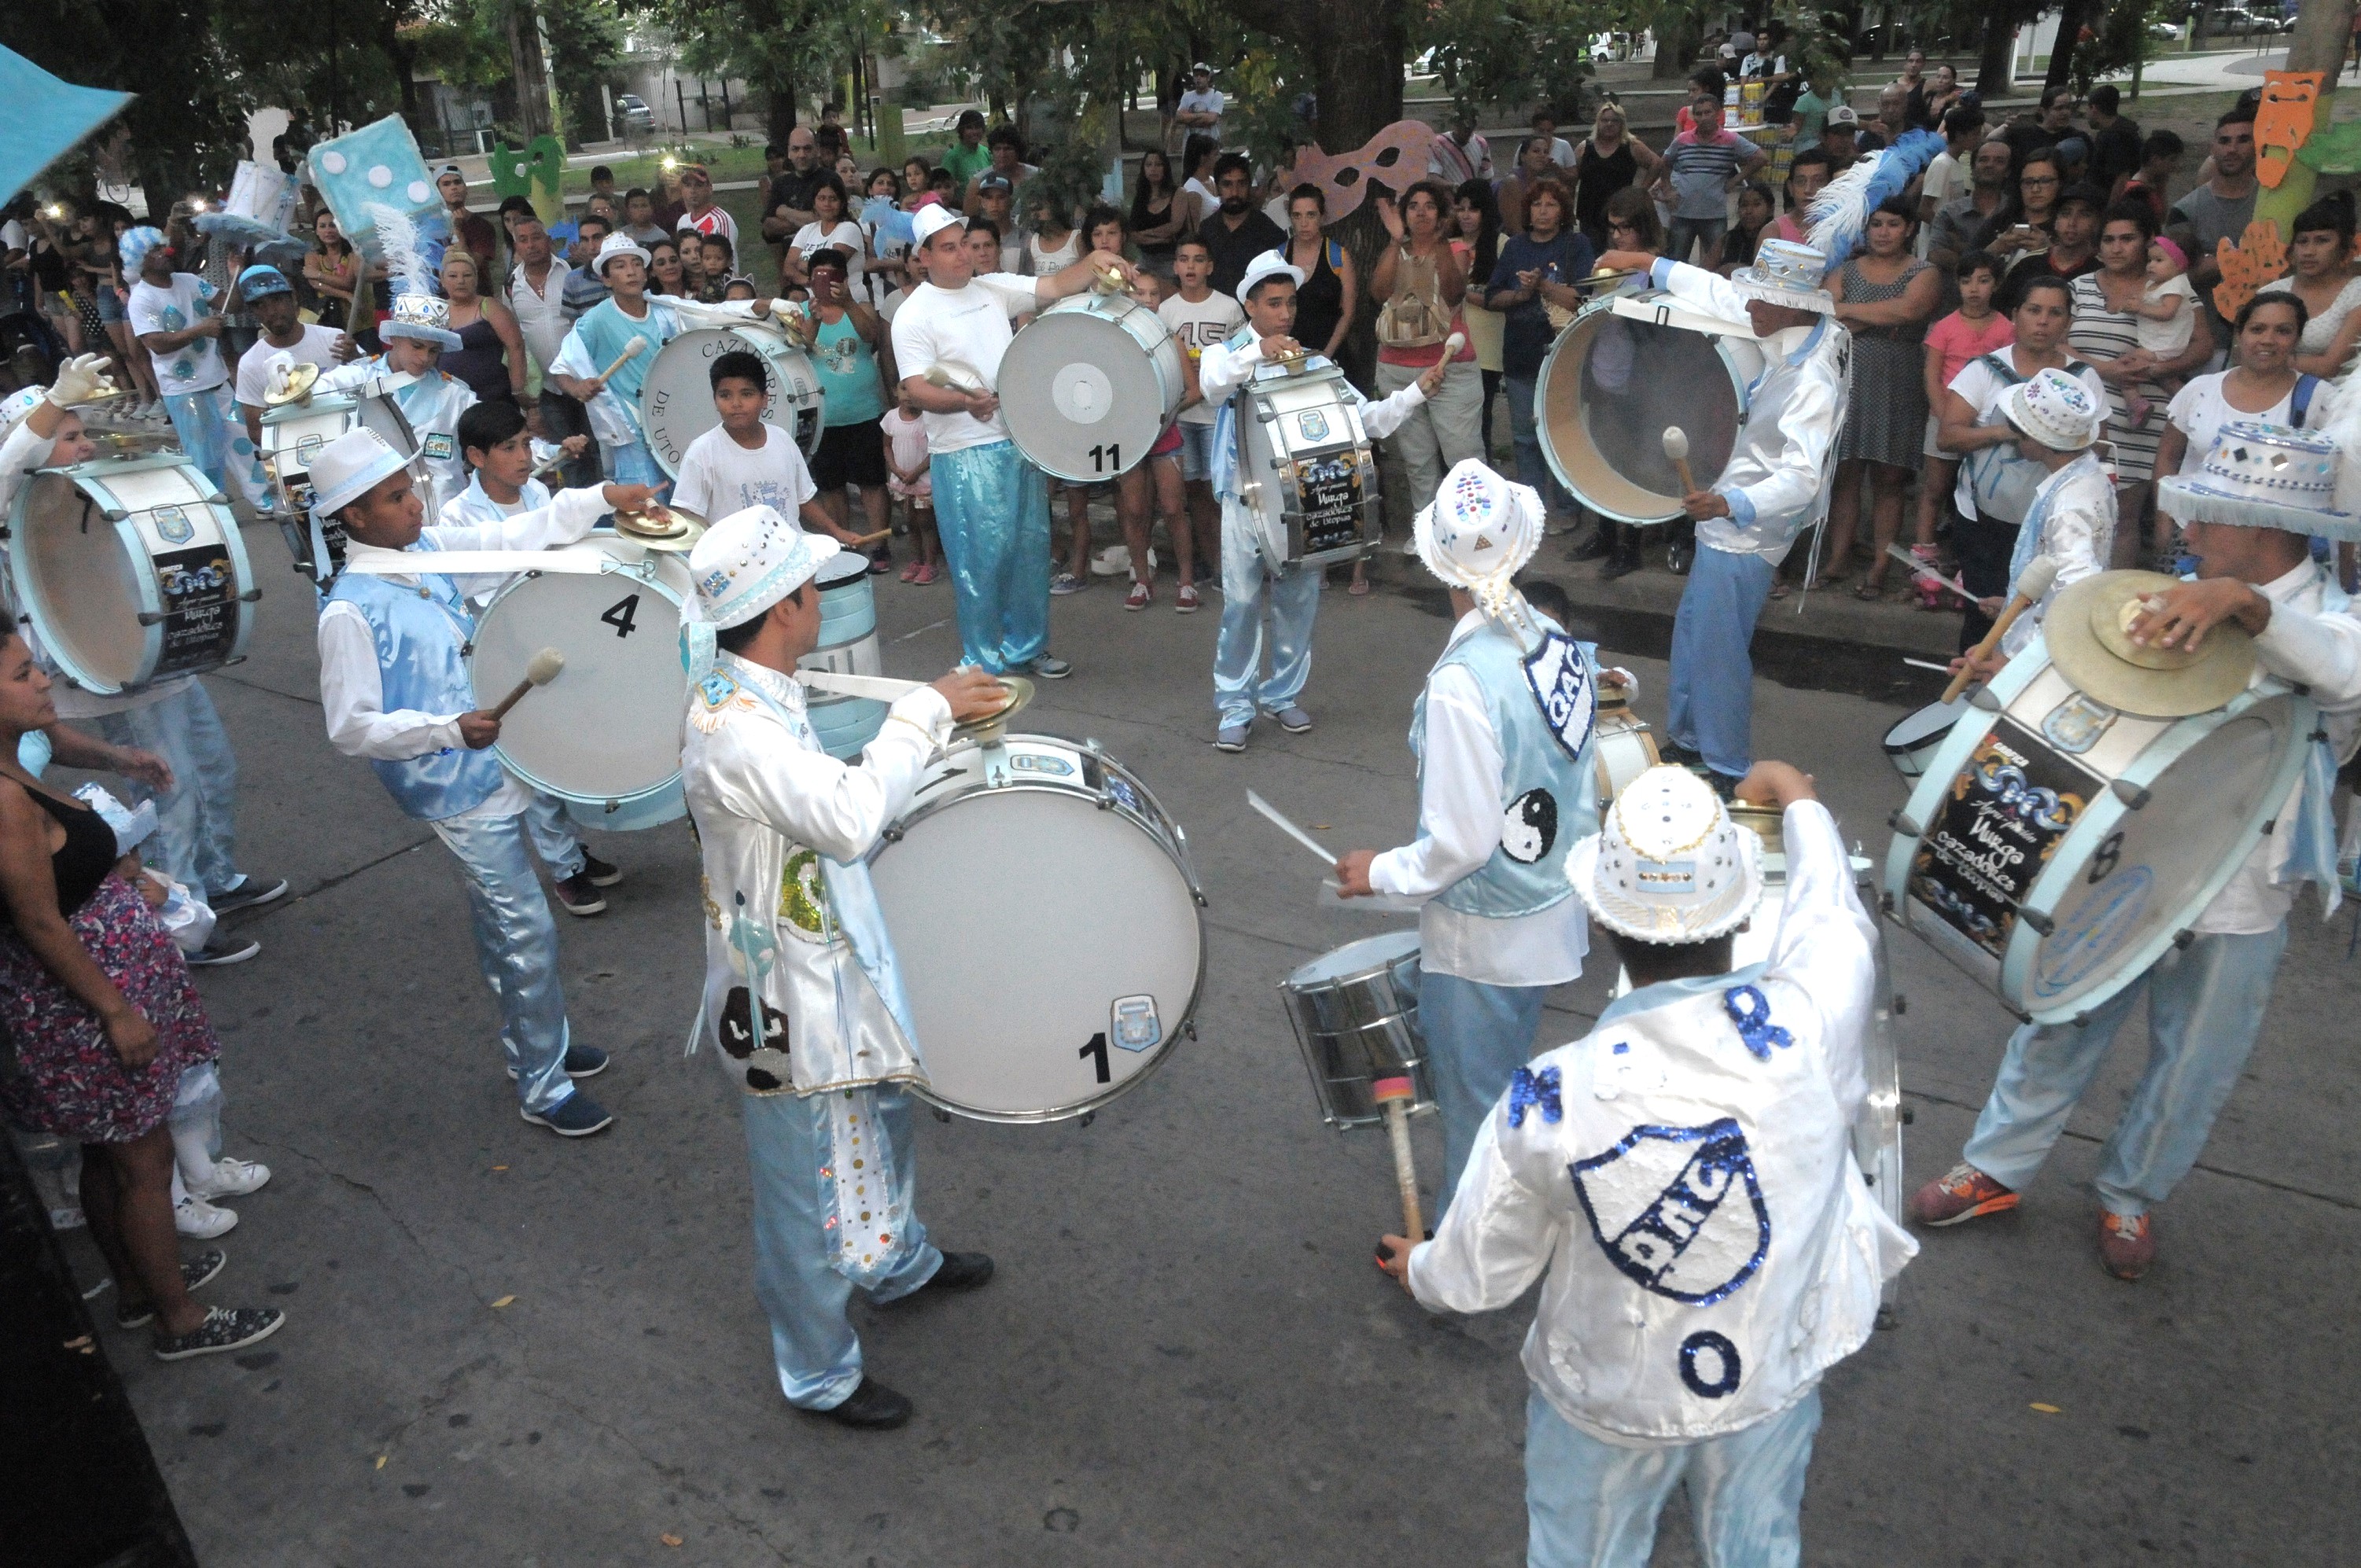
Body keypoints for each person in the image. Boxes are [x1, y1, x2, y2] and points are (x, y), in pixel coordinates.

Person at [1382, 760, 1912, 1567]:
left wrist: (1419, 1268)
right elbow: (1832, 917)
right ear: (1743, 912)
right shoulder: (1810, 1019)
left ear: (1601, 923)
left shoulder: (1549, 1096)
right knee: (1756, 1544)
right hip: (1772, 1368)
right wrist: (1799, 799)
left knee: (1581, 1551)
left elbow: (1475, 1275)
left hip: (1609, 1397)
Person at [1914, 432, 2361, 1281]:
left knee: (2195, 1058)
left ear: (2259, 529)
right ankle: (1996, 1167)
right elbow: (2095, 680)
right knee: (2060, 1016)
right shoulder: (2170, 593)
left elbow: (2340, 671)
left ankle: (2130, 1193)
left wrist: (2246, 606)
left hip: (2243, 889)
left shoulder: (2336, 617)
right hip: (2126, 861)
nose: (2186, 531)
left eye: (2204, 517)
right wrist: (2012, 671)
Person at [677, 508, 1006, 1430]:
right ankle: (816, 1369)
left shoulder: (756, 686)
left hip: (828, 961)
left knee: (880, 1114)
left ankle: (896, 1261)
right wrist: (926, 710)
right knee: (802, 1184)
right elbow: (850, 817)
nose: (820, 599)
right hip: (780, 997)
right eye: (810, 586)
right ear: (784, 607)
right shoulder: (735, 727)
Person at [309, 428, 649, 1136]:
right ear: (354, 517)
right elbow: (349, 727)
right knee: (526, 928)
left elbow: (511, 538)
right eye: (394, 498)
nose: (414, 505)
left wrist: (598, 498)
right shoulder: (349, 610)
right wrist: (445, 730)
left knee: (505, 928)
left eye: (409, 490)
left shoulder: (429, 551)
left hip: (495, 762)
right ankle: (543, 1087)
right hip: (452, 787)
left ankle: (536, 1040)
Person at [1332, 460, 1611, 1217]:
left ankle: (1464, 1258)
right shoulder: (1553, 635)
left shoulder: (1462, 682)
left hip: (1485, 936)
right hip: (1550, 909)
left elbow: (1460, 844)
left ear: (1440, 567)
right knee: (1501, 1089)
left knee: (1477, 1116)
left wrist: (1378, 872)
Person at [0, 628, 286, 1361]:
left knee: (109, 1154)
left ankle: (139, 1288)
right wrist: (116, 1010)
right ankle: (180, 1319)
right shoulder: (4, 801)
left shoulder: (13, 758)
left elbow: (56, 742)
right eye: (24, 674)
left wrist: (118, 759)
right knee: (144, 1162)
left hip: (99, 992)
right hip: (83, 1007)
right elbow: (39, 921)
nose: (44, 681)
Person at [1592, 239, 1847, 791]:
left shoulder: (1813, 380)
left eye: (1758, 299)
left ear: (1792, 307)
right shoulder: (1779, 323)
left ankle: (1727, 766)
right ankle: (1689, 741)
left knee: (1718, 650)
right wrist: (1647, 262)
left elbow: (1802, 478)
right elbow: (1720, 294)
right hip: (1728, 521)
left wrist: (1732, 503)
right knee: (1694, 634)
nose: (1746, 306)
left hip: (1748, 533)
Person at [1199, 249, 1446, 751]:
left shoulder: (1312, 362)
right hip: (1244, 500)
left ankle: (1282, 694)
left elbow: (1367, 420)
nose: (1285, 313)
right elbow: (1212, 387)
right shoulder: (1225, 354)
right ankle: (1235, 706)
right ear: (1250, 306)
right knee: (1241, 605)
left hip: (1306, 500)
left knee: (1298, 604)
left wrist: (1415, 393)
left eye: (1290, 303)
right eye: (1274, 303)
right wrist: (1258, 352)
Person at [888, 205, 1136, 677]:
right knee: (981, 562)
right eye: (949, 248)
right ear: (924, 257)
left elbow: (1054, 286)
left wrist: (1096, 261)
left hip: (1017, 442)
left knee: (1029, 552)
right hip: (963, 455)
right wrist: (965, 403)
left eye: (964, 243)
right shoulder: (913, 315)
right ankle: (984, 664)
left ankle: (1027, 647)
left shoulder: (992, 287)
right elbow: (916, 388)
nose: (963, 254)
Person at [439, 401, 621, 918]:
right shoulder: (457, 517)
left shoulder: (539, 493)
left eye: (525, 444)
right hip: (505, 651)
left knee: (564, 751)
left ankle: (572, 849)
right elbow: (468, 591)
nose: (524, 457)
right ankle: (564, 869)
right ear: (476, 456)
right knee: (534, 763)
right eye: (509, 448)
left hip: (554, 637)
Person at [1936, 274, 2109, 648]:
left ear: (2068, 322)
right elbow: (1947, 437)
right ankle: (1975, 678)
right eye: (2034, 310)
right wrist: (2014, 431)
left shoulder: (2082, 379)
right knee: (1983, 617)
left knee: (2041, 620)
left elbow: (2098, 446)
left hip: (2051, 522)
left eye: (2055, 313)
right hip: (1983, 521)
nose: (2043, 321)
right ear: (2014, 315)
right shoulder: (1984, 370)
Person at [549, 232, 779, 493]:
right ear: (607, 278)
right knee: (645, 507)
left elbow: (712, 314)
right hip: (632, 432)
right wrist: (577, 388)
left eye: (636, 264)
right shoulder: (595, 321)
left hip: (675, 424)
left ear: (646, 273)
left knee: (688, 501)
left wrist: (760, 306)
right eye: (620, 266)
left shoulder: (666, 310)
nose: (631, 272)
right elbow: (561, 369)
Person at [2069, 204, 2214, 560]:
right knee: (2074, 512)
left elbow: (2203, 346)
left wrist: (2157, 370)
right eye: (2108, 240)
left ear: (2149, 242)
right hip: (2078, 412)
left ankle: (2118, 593)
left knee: (2124, 517)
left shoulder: (2170, 289)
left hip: (2140, 417)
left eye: (2127, 239)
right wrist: (2104, 369)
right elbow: (2056, 344)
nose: (2116, 248)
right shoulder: (2078, 287)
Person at [1826, 197, 1939, 598]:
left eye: (1893, 224)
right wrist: (1880, 314)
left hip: (1899, 381)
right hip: (1848, 379)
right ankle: (1838, 557)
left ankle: (1880, 565)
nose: (1884, 232)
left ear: (1908, 229)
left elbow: (1909, 311)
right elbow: (1828, 314)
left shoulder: (1924, 272)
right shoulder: (1844, 270)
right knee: (1845, 473)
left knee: (1890, 479)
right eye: (1876, 224)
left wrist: (1851, 311)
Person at [2156, 294, 2319, 555]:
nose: (2268, 339)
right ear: (2239, 334)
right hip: (2191, 535)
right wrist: (2164, 521)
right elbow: (2168, 457)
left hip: (2272, 548)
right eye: (2257, 329)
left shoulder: (2318, 399)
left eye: (2283, 331)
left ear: (2297, 339)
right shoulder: (2200, 390)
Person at [1373, 183, 1484, 565]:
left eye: (1430, 206)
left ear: (1441, 214)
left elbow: (1453, 295)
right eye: (1413, 206)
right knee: (1417, 459)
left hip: (1449, 367)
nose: (1421, 212)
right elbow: (1378, 292)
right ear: (1404, 214)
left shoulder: (1457, 249)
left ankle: (1476, 531)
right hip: (1397, 369)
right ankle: (1427, 532)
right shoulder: (1395, 249)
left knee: (1463, 455)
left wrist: (1437, 244)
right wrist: (1395, 242)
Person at [123, 226, 270, 514]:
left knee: (244, 446)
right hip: (184, 392)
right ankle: (216, 514)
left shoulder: (189, 281)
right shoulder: (142, 299)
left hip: (219, 382)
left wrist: (235, 273)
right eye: (154, 251)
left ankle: (265, 501)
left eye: (162, 246)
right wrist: (200, 330)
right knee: (205, 459)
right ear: (140, 261)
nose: (165, 252)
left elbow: (233, 305)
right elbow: (156, 343)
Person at [315, 293, 477, 520]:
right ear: (395, 339)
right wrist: (284, 371)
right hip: (377, 517)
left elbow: (491, 434)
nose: (424, 358)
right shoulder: (358, 378)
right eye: (417, 346)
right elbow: (310, 392)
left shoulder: (456, 396)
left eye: (433, 350)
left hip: (442, 519)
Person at [1486, 177, 1592, 525]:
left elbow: (1583, 299)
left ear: (1563, 211)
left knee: (1562, 435)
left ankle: (1567, 508)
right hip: (1521, 354)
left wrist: (1542, 285)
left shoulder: (1576, 245)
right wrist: (1520, 294)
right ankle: (1532, 510)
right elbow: (1492, 297)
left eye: (1551, 204)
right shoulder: (1515, 247)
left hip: (1564, 356)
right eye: (1536, 204)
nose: (1543, 211)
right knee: (1524, 437)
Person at [1910, 252, 2013, 602]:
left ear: (1996, 285)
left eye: (1984, 281)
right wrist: (1946, 418)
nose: (1974, 289)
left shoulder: (2006, 330)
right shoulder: (1945, 326)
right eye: (1967, 281)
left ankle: (1970, 568)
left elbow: (2008, 377)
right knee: (1935, 489)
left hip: (1986, 425)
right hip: (1943, 417)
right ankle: (1924, 563)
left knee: (1977, 493)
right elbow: (1931, 375)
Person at [670, 348, 851, 540]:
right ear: (715, 400)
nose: (736, 403)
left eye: (746, 394)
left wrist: (836, 531)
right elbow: (687, 514)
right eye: (725, 395)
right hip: (738, 557)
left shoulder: (782, 439)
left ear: (765, 399)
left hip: (791, 550)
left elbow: (803, 500)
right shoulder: (702, 451)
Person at [1580, 190, 1667, 580]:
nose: (1617, 236)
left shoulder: (1659, 269)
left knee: (1633, 462)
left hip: (1640, 380)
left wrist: (1627, 313)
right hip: (1603, 373)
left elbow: (1664, 332)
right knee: (1602, 455)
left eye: (1625, 228)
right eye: (1612, 228)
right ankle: (1603, 533)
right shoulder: (1606, 263)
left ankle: (1629, 545)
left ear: (1643, 227)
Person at [1159, 237, 1245, 595]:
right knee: (1194, 493)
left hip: (1217, 416)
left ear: (1210, 266)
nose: (1191, 266)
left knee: (1220, 494)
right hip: (1182, 417)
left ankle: (1235, 566)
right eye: (1184, 259)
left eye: (1198, 259)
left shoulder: (1228, 307)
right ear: (1175, 267)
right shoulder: (1166, 311)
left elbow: (1242, 356)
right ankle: (1214, 566)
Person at [802, 249, 897, 572]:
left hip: (864, 412)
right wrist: (814, 318)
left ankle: (879, 545)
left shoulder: (862, 307)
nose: (824, 282)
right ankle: (844, 545)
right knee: (831, 485)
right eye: (818, 276)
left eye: (831, 276)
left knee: (872, 482)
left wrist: (848, 304)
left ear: (843, 278)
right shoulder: (801, 312)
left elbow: (871, 337)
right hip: (822, 416)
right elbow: (799, 347)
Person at [1114, 270, 1197, 612]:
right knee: (1134, 511)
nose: (1147, 300)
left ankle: (1187, 583)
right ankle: (1142, 581)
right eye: (1140, 293)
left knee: (1174, 509)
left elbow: (1194, 390)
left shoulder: (1170, 339)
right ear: (1126, 297)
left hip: (1165, 435)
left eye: (1154, 294)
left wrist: (1164, 413)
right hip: (1128, 438)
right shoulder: (1114, 338)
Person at [508, 216, 596, 490]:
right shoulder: (512, 285)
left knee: (596, 451)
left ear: (548, 241)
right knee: (566, 456)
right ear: (516, 246)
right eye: (523, 240)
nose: (531, 245)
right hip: (549, 389)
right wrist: (522, 388)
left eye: (536, 237)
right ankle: (575, 510)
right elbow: (516, 341)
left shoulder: (573, 274)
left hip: (586, 380)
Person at [2168, 109, 2259, 367]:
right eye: (2224, 141)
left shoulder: (2274, 206)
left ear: (2258, 146)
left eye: (2243, 140)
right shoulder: (2184, 210)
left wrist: (2217, 261)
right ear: (2213, 147)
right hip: (2204, 343)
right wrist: (2242, 260)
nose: (2232, 149)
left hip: (2263, 340)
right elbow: (2170, 278)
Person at [230, 265, 342, 447]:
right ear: (253, 312)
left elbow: (366, 390)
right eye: (259, 305)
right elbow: (257, 432)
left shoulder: (334, 340)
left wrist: (355, 359)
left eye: (277, 300)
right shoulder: (250, 364)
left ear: (293, 298)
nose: (271, 311)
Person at [2260, 192, 2361, 381]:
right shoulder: (2271, 293)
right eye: (2302, 241)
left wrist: (2267, 358)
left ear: (2344, 248)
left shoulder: (2357, 294)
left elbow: (2329, 367)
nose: (2309, 251)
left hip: (2338, 394)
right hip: (2271, 389)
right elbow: (2241, 354)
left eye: (2322, 241)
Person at [1656, 94, 1765, 267]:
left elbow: (1760, 158)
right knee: (1676, 263)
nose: (1703, 117)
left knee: (1717, 263)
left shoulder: (1730, 140)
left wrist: (1736, 180)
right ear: (1694, 117)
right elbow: (1664, 163)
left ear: (1718, 114)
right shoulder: (1683, 140)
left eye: (1708, 112)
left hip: (1714, 214)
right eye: (1699, 114)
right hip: (1683, 213)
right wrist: (1668, 189)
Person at [1453, 180, 1507, 458]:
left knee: (1479, 420)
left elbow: (1506, 297)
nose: (1465, 215)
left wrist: (1461, 291)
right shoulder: (1446, 246)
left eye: (1473, 209)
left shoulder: (1502, 245)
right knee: (1452, 421)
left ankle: (1482, 475)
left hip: (1486, 349)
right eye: (1460, 208)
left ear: (1486, 212)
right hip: (1448, 346)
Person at [436, 248, 528, 407]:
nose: (461, 281)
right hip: (450, 400)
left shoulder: (490, 306)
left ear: (476, 278)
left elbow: (516, 346)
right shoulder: (436, 309)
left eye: (467, 275)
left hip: (493, 398)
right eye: (453, 276)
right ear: (442, 280)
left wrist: (518, 389)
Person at [1571, 101, 1659, 254]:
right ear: (1598, 122)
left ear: (1622, 123)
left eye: (1614, 121)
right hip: (1589, 214)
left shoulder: (1632, 146)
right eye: (1605, 120)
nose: (1609, 124)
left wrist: (1641, 191)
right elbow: (1572, 179)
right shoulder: (1584, 147)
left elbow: (1656, 163)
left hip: (1621, 215)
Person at [1196, 153, 1287, 300]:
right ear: (1217, 188)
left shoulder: (1270, 233)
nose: (1235, 192)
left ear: (1249, 186)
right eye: (1227, 184)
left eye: (1241, 184)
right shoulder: (1206, 230)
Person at [1281, 186, 1356, 361]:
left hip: (1332, 352)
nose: (1304, 223)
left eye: (1311, 215)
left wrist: (1327, 354)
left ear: (1322, 216)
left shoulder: (1338, 256)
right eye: (1297, 216)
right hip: (1289, 354)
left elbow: (1348, 313)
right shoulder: (1279, 256)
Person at [1925, 138, 2014, 276]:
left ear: (2008, 171)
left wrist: (1962, 250)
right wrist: (1993, 251)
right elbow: (1936, 255)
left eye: (1999, 161)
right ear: (1973, 167)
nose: (1990, 165)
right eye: (1983, 160)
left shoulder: (2016, 211)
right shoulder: (1949, 213)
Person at [881, 388, 941, 584]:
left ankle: (930, 564)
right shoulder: (891, 418)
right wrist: (895, 469)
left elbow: (934, 449)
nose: (908, 395)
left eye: (912, 389)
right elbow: (887, 446)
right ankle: (917, 560)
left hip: (923, 481)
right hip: (902, 482)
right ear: (895, 391)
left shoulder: (928, 419)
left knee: (926, 523)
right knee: (911, 522)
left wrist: (917, 472)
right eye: (903, 389)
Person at [783, 175, 868, 293]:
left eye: (833, 199)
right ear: (814, 203)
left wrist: (800, 264)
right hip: (811, 299)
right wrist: (810, 281)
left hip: (845, 298)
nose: (827, 203)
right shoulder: (806, 230)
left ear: (842, 203)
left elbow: (831, 268)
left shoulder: (849, 228)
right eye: (821, 198)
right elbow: (788, 269)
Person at [762, 129, 829, 256]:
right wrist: (810, 219)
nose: (801, 155)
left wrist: (785, 212)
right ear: (789, 152)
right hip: (790, 261)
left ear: (817, 150)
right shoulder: (780, 183)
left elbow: (826, 220)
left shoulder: (830, 180)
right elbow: (769, 227)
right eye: (796, 149)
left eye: (807, 149)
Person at [435, 166, 498, 278]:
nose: (454, 187)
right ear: (437, 191)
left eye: (457, 182)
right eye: (446, 184)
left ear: (465, 188)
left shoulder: (482, 226)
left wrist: (458, 231)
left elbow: (473, 266)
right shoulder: (431, 227)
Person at [1495, 135, 1562, 238]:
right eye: (1536, 151)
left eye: (1546, 152)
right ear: (1523, 157)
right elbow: (1514, 228)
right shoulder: (1512, 182)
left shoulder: (1541, 183)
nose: (1542, 155)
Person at [1129, 149, 1187, 266]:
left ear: (1165, 168)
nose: (1153, 169)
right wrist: (1159, 239)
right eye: (1149, 165)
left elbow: (1175, 226)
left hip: (1172, 258)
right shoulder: (1140, 197)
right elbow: (1133, 234)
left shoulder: (1178, 193)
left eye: (1158, 164)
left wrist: (1147, 232)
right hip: (1145, 258)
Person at [2084, 84, 2144, 197]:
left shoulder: (2115, 137)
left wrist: (2111, 207)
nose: (2086, 114)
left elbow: (2122, 179)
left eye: (2087, 108)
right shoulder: (2128, 126)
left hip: (2107, 199)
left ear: (2094, 108)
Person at [2119, 131, 2183, 230]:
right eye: (2172, 160)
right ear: (2155, 160)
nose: (2176, 166)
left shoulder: (2153, 186)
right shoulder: (2137, 192)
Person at [1769, 149, 1833, 245]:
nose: (1808, 190)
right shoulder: (1774, 233)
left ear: (1831, 186)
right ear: (1791, 188)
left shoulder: (1845, 230)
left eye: (1818, 181)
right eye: (1800, 182)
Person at [673, 164, 739, 250]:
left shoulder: (720, 221)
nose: (693, 190)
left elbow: (727, 257)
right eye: (688, 185)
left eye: (698, 185)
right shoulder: (683, 222)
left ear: (709, 189)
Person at [1430, 109, 1493, 185]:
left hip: (1472, 191)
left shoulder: (1481, 143)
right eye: (1463, 126)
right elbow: (1433, 177)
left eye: (1470, 128)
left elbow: (1487, 177)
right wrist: (1452, 186)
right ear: (1456, 124)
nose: (1467, 131)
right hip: (1447, 191)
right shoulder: (1438, 144)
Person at [1175, 63, 1225, 146]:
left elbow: (1212, 119)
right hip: (1190, 144)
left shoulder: (1216, 95)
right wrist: (1203, 115)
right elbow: (1179, 117)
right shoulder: (1187, 96)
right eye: (1196, 75)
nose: (1198, 78)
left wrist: (1189, 118)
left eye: (1202, 76)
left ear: (1208, 78)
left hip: (1210, 143)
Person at [941, 110, 992, 189]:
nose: (974, 132)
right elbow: (944, 186)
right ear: (962, 130)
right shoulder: (952, 156)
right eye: (969, 128)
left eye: (978, 127)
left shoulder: (987, 152)